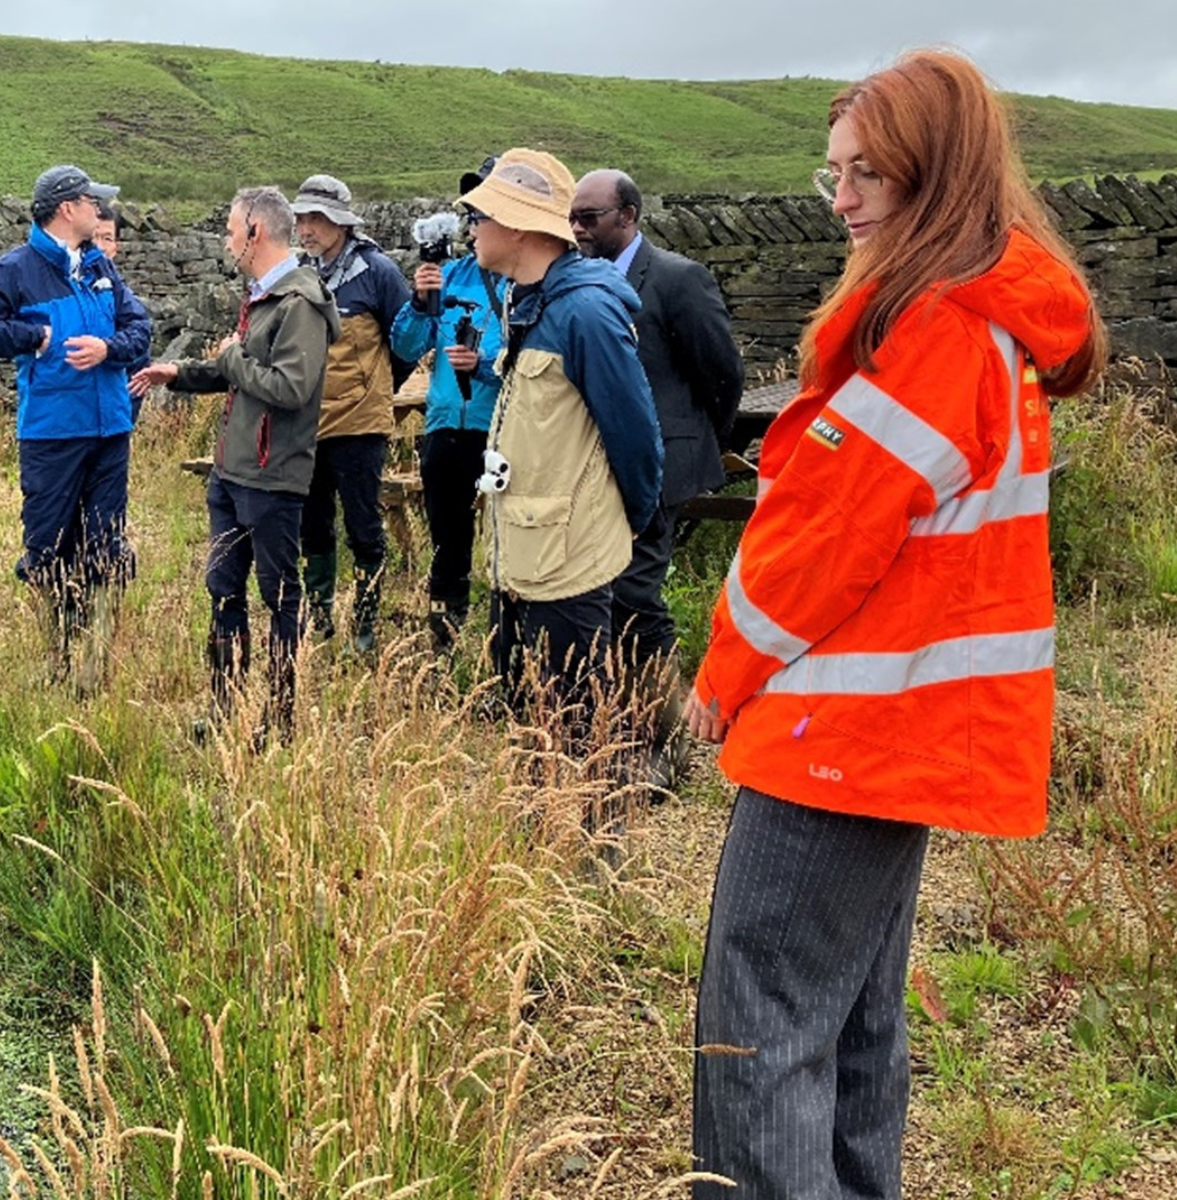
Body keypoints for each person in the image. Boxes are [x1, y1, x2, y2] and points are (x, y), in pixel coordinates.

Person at [682, 49, 1106, 1200]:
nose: (845, 200)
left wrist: (719, 674)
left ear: (940, 175)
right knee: (851, 1021)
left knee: (757, 1025)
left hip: (842, 731)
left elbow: (815, 546)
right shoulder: (988, 322)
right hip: (904, 726)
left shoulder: (923, 330)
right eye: (834, 174)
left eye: (872, 173)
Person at [456, 150, 661, 733]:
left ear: (518, 227)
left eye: (482, 216)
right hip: (527, 549)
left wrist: (631, 522)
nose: (472, 228)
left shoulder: (585, 314)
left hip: (565, 560)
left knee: (572, 720)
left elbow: (635, 434)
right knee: (535, 717)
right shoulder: (530, 303)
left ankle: (589, 813)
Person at [131, 187, 338, 742]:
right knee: (223, 589)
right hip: (232, 472)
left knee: (277, 597)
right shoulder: (264, 295)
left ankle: (279, 720)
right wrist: (182, 374)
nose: (225, 240)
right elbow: (239, 374)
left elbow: (289, 388)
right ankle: (224, 712)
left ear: (256, 234)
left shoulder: (301, 305)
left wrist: (230, 357)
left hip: (272, 479)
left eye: (230, 230)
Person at [571, 168, 745, 781]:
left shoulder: (676, 279)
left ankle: (664, 741)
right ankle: (620, 727)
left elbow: (721, 374)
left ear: (629, 216)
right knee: (611, 593)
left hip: (662, 469)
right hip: (603, 469)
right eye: (573, 217)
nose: (578, 228)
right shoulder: (582, 285)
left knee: (636, 593)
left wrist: (695, 445)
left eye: (589, 217)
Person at [0, 165, 152, 691]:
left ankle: (95, 664)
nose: (101, 211)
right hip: (51, 433)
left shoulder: (99, 267)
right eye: (93, 202)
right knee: (48, 546)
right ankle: (55, 656)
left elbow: (141, 329)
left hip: (110, 429)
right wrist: (33, 336)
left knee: (107, 544)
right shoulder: (17, 269)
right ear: (67, 208)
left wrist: (109, 349)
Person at [290, 174, 413, 654]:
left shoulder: (377, 272)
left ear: (340, 222)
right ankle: (319, 616)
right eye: (301, 219)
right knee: (312, 521)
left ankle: (364, 624)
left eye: (316, 219)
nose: (307, 229)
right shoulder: (298, 272)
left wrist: (376, 389)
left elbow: (405, 341)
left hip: (360, 424)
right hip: (304, 421)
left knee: (363, 523)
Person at [390, 157, 507, 654]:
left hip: (503, 428)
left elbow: (533, 362)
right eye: (473, 212)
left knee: (511, 543)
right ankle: (444, 644)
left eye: (484, 211)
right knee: (448, 543)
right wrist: (420, 301)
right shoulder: (449, 275)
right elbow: (405, 346)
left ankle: (509, 647)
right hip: (445, 427)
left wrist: (481, 365)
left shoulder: (524, 282)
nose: (475, 221)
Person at [93, 200, 154, 423]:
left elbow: (140, 357)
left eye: (107, 238)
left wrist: (123, 415)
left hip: (114, 419)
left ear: (116, 247)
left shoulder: (126, 301)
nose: (99, 246)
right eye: (93, 237)